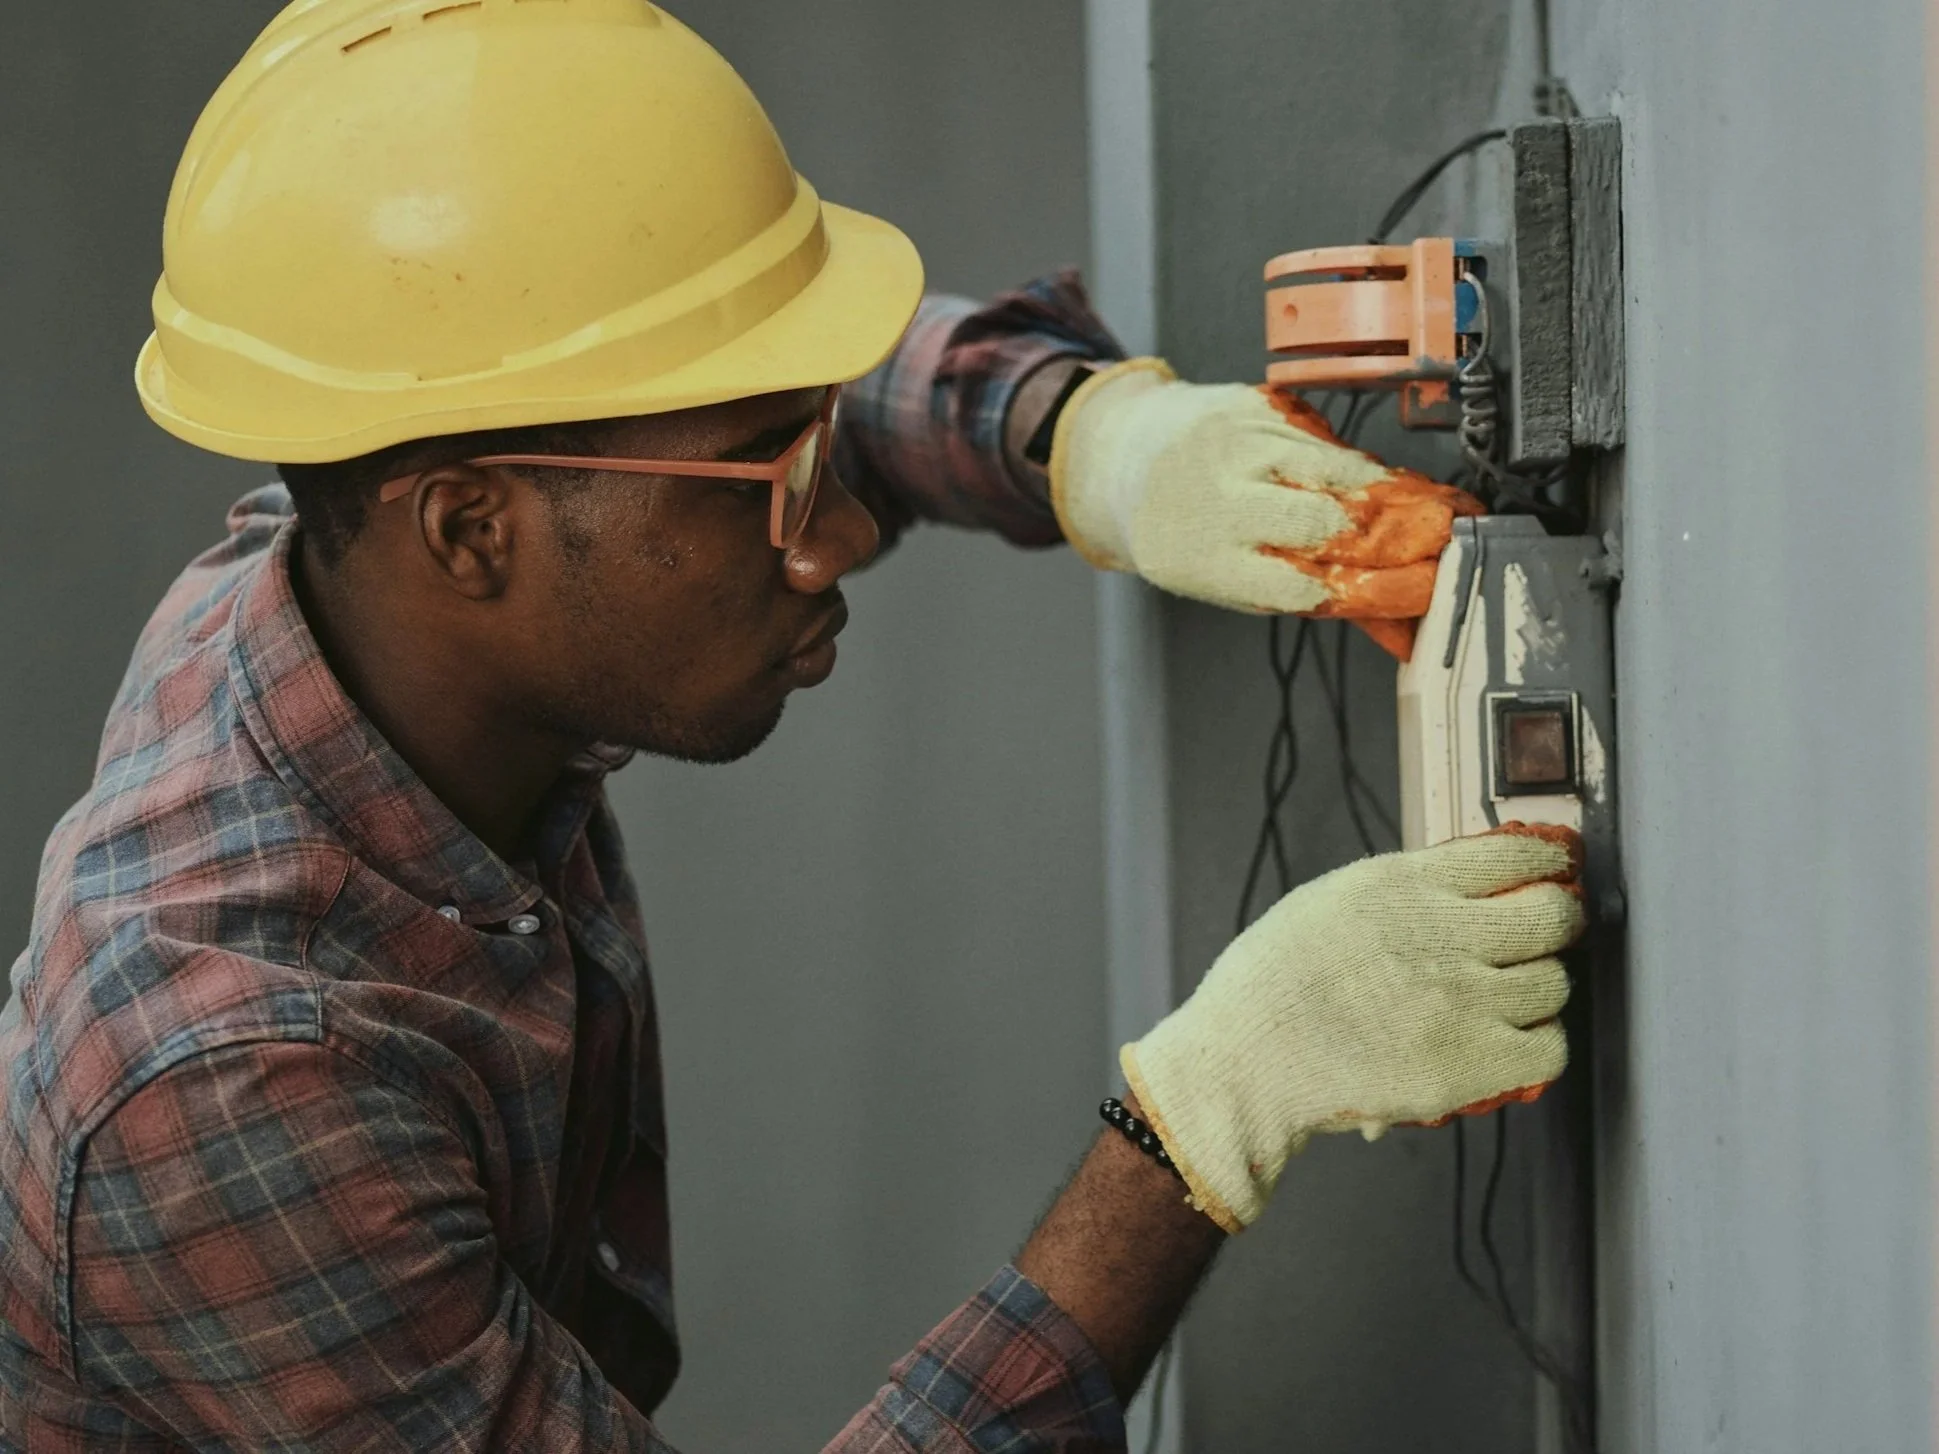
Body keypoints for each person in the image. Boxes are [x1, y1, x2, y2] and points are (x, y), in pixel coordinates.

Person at [0, 4, 1584, 1449]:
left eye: (811, 448)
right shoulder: (223, 1078)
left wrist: (1085, 439)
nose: (828, 540)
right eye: (771, 481)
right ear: (469, 534)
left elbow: (703, 394)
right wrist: (1201, 1120)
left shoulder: (360, 552)